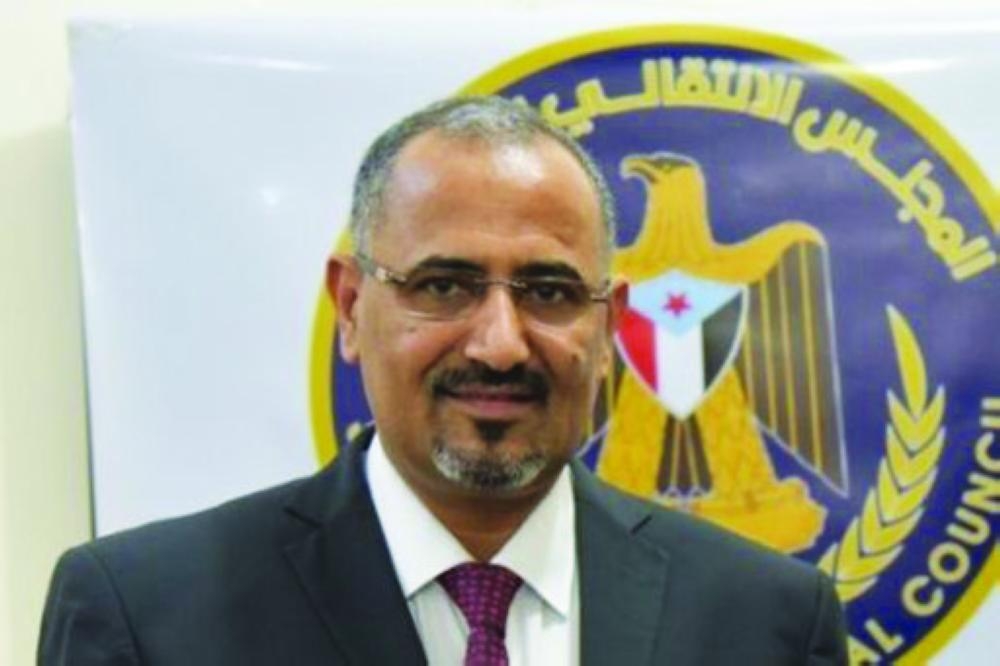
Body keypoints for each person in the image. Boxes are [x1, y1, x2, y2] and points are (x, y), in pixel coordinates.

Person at [39, 96, 847, 665]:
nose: (500, 345)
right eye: (443, 285)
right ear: (351, 308)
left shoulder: (766, 623)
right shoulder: (146, 618)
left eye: (550, 292)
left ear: (609, 331)